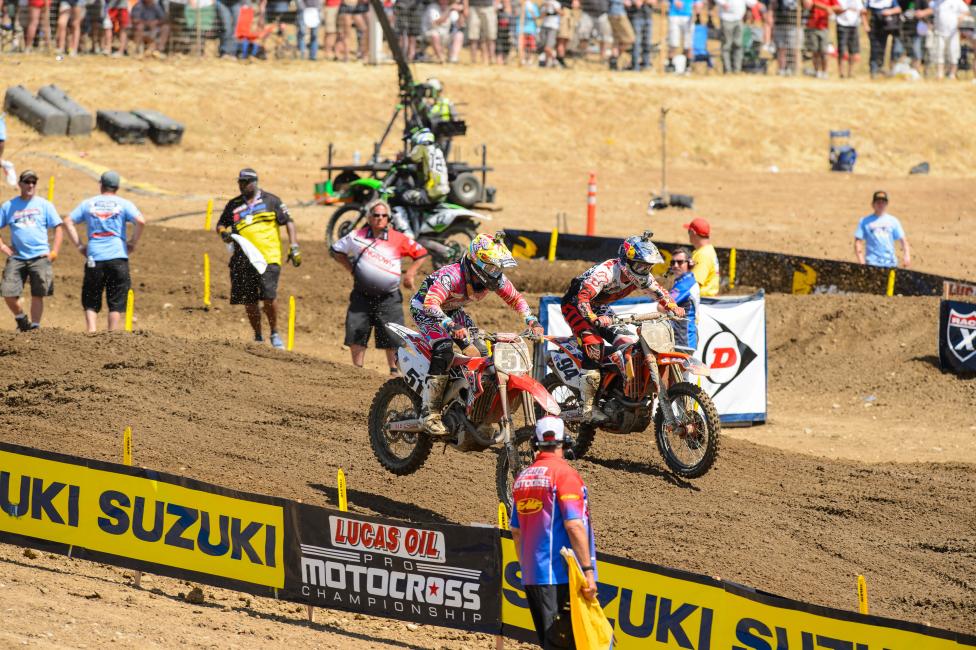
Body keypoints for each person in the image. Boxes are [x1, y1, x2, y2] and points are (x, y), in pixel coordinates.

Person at [410, 233, 543, 435]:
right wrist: (449, 324)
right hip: (426, 310)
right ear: (475, 262)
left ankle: (470, 408)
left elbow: (516, 299)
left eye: (498, 268)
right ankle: (430, 413)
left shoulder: (495, 279)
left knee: (482, 352)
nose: (496, 273)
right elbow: (430, 303)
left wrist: (531, 320)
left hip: (453, 311)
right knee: (444, 349)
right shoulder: (452, 275)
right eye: (491, 267)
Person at [560, 234, 684, 423]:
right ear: (627, 260)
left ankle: (613, 390)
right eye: (641, 265)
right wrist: (593, 318)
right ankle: (587, 407)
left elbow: (660, 293)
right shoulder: (606, 272)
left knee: (628, 344)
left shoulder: (643, 277)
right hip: (576, 305)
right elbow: (583, 298)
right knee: (593, 344)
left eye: (648, 266)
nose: (645, 270)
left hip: (600, 307)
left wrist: (673, 306)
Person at [510, 415, 598, 650]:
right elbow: (574, 525)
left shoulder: (522, 479)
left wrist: (526, 569)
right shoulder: (565, 475)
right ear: (565, 442)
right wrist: (588, 571)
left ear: (535, 443)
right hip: (560, 577)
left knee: (552, 643)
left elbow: (516, 532)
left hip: (533, 577)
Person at [331, 199, 428, 376]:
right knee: (357, 330)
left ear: (388, 218)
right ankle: (357, 371)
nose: (380, 218)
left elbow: (421, 253)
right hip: (361, 294)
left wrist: (410, 274)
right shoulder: (356, 236)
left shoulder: (398, 238)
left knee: (393, 334)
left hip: (389, 296)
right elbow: (336, 250)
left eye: (384, 215)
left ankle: (393, 371)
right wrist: (350, 268)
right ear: (369, 217)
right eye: (376, 215)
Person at [215, 168, 301, 349]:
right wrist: (223, 233)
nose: (242, 185)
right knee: (249, 299)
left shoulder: (272, 200)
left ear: (255, 182)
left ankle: (275, 333)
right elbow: (221, 224)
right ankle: (258, 336)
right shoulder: (233, 205)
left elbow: (289, 222)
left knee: (269, 296)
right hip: (242, 258)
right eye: (239, 182)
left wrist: (294, 247)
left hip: (268, 257)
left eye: (245, 182)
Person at [62, 171, 145, 333]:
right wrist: (133, 243)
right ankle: (111, 333)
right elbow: (140, 221)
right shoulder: (123, 203)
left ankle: (91, 331)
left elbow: (67, 221)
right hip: (118, 256)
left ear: (101, 184)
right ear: (117, 187)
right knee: (116, 297)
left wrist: (80, 246)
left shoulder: (89, 203)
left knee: (91, 295)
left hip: (95, 256)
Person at [0, 170, 63, 332]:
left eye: (33, 182)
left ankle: (35, 327)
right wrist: (4, 247)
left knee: (38, 293)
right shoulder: (9, 206)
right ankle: (21, 318)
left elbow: (58, 227)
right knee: (7, 291)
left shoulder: (45, 205)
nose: (30, 185)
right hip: (17, 257)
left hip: (40, 256)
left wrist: (54, 251)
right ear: (19, 184)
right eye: (27, 182)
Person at [854, 190, 911, 268]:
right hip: (872, 264)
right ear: (873, 204)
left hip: (891, 264)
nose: (881, 204)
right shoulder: (864, 221)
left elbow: (903, 240)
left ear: (886, 204)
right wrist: (862, 262)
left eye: (883, 202)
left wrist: (907, 255)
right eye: (878, 202)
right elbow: (858, 242)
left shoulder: (893, 221)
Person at [401, 128, 450, 206]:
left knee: (403, 195)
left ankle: (414, 217)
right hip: (444, 191)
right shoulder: (437, 150)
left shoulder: (422, 147)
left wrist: (402, 160)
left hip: (431, 192)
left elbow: (413, 158)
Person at [664, 246, 699, 349]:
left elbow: (662, 306)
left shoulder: (686, 283)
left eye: (679, 262)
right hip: (681, 339)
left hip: (683, 340)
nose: (675, 266)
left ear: (689, 263)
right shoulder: (682, 281)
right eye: (672, 262)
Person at [932, 0, 969, 78]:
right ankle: (940, 73)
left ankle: (952, 74)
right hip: (939, 32)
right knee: (939, 53)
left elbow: (966, 11)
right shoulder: (936, 2)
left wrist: (961, 18)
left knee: (953, 53)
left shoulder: (957, 1)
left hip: (953, 32)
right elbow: (931, 11)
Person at [717, 0, 756, 72]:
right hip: (726, 18)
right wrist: (723, 3)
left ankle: (737, 70)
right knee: (726, 45)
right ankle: (727, 70)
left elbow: (752, 3)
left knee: (738, 44)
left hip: (739, 19)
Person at [684, 217, 720, 297]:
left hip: (701, 301)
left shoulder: (703, 255)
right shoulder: (708, 250)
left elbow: (694, 285)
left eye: (688, 231)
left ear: (693, 232)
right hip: (706, 300)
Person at [804, 0, 840, 78]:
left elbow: (838, 7)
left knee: (824, 52)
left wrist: (829, 8)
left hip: (824, 27)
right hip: (812, 26)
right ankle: (817, 72)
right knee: (815, 51)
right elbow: (808, 3)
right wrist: (826, 8)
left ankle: (825, 72)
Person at [866, 0, 901, 77]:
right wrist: (866, 25)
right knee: (874, 49)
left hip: (884, 26)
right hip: (874, 26)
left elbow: (898, 9)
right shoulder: (870, 1)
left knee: (882, 48)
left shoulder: (890, 1)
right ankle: (873, 70)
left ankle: (880, 69)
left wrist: (889, 11)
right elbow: (865, 11)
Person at [836, 0, 868, 78]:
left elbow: (862, 12)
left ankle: (850, 72)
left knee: (853, 51)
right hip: (842, 24)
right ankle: (841, 73)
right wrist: (847, 9)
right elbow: (835, 10)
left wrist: (865, 25)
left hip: (854, 26)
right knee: (842, 50)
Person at [768, 0, 801, 74]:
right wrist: (770, 16)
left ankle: (795, 70)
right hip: (780, 24)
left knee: (795, 49)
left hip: (795, 25)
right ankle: (781, 69)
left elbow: (807, 4)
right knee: (781, 48)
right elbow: (772, 5)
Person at [668, 0, 700, 72]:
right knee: (673, 43)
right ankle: (670, 65)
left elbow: (698, 2)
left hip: (688, 16)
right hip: (674, 15)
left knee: (688, 44)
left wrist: (697, 9)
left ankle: (687, 67)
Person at [627, 0, 655, 71]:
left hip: (648, 16)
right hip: (636, 16)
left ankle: (646, 65)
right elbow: (636, 3)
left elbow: (653, 1)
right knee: (636, 43)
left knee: (647, 43)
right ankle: (635, 66)